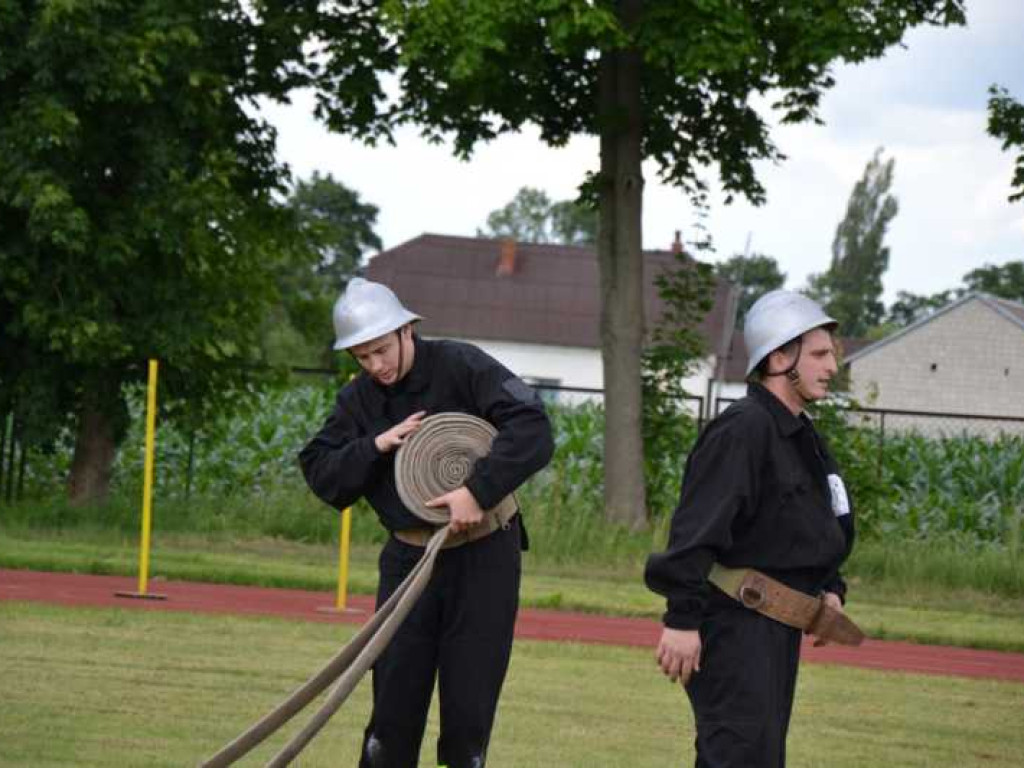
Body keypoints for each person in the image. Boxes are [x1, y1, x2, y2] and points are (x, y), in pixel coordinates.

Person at [299, 277, 554, 768]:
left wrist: (476, 490)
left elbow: (534, 427)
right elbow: (321, 471)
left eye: (381, 350)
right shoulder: (359, 401)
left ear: (406, 330)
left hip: (484, 558)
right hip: (407, 560)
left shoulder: (463, 365)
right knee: (391, 718)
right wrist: (376, 444)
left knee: (467, 716)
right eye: (362, 357)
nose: (377, 365)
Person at [644, 289, 856, 768]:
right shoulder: (743, 429)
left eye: (831, 354)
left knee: (759, 758)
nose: (831, 366)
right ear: (780, 357)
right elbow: (697, 532)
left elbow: (817, 523)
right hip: (735, 628)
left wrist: (829, 586)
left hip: (778, 630)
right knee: (737, 756)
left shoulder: (803, 435)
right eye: (819, 354)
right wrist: (682, 619)